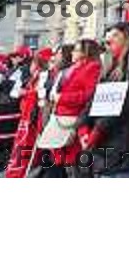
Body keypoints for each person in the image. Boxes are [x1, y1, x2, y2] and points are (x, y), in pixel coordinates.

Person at [77, 22, 129, 177]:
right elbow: (96, 97)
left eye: (111, 39)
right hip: (108, 140)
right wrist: (83, 124)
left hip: (126, 138)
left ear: (125, 37)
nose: (107, 45)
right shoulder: (111, 65)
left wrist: (99, 128)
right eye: (105, 42)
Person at [41, 40, 100, 177]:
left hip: (74, 119)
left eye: (77, 50)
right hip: (61, 117)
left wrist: (62, 98)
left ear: (86, 53)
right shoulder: (74, 68)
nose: (73, 53)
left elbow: (89, 95)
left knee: (75, 166)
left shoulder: (92, 67)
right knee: (63, 163)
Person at [5, 48, 53, 178]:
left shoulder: (45, 74)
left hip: (34, 114)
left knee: (26, 145)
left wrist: (26, 92)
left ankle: (21, 171)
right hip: (26, 113)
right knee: (21, 144)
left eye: (34, 62)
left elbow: (41, 94)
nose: (31, 66)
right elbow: (14, 92)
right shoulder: (34, 75)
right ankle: (17, 169)